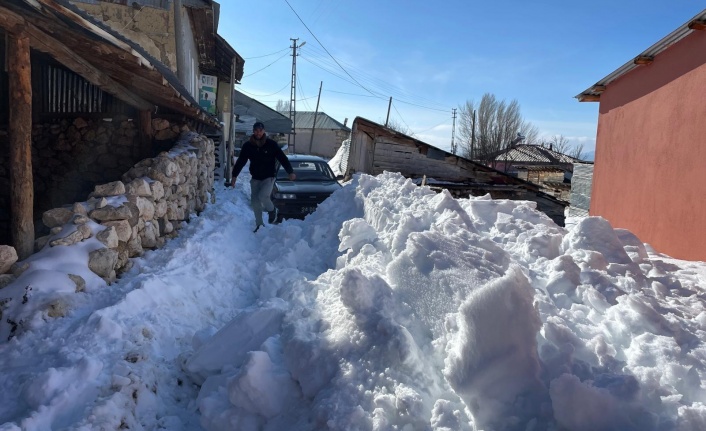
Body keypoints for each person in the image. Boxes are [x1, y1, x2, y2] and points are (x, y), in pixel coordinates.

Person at [230, 122, 296, 232]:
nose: (258, 133)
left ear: (264, 131)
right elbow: (241, 161)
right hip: (255, 178)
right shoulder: (248, 146)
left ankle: (272, 209)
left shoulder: (271, 144)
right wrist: (234, 176)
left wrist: (290, 172)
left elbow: (282, 158)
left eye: (260, 130)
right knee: (255, 203)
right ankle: (259, 225)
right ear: (253, 131)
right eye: (256, 130)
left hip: (269, 177)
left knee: (263, 196)